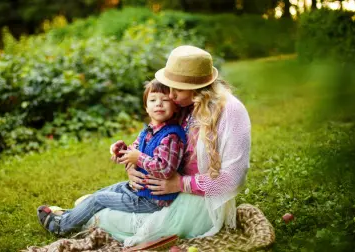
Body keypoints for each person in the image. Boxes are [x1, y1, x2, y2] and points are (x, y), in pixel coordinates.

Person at [84, 45, 251, 247]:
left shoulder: (231, 111)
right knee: (93, 204)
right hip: (159, 194)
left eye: (177, 89)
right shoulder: (181, 106)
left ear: (197, 88)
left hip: (199, 200)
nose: (170, 95)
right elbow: (155, 145)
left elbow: (232, 178)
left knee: (104, 215)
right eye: (168, 87)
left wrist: (181, 184)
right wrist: (132, 167)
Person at [36, 80, 187, 236]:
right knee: (103, 191)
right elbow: (134, 151)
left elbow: (165, 169)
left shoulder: (171, 136)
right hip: (139, 190)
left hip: (153, 200)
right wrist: (122, 150)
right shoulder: (149, 130)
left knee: (99, 199)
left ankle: (60, 226)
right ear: (146, 108)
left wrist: (138, 158)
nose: (159, 104)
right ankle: (70, 216)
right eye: (153, 100)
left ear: (175, 106)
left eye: (165, 100)